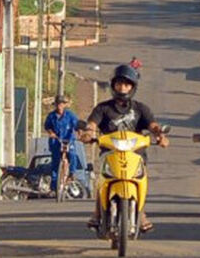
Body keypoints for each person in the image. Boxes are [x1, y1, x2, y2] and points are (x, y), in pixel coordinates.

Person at [82, 64, 167, 233]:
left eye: (127, 84)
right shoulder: (103, 108)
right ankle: (97, 212)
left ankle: (141, 213)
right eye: (119, 84)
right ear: (113, 85)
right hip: (110, 154)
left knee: (140, 180)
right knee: (102, 181)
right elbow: (92, 123)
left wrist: (160, 134)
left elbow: (153, 125)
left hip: (136, 155)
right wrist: (88, 132)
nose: (122, 88)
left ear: (133, 87)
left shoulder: (140, 109)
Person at [43, 95, 84, 194]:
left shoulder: (70, 115)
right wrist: (51, 133)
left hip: (69, 140)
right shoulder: (51, 116)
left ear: (64, 105)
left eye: (61, 104)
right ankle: (54, 187)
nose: (59, 106)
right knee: (55, 163)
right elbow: (47, 126)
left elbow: (77, 125)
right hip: (56, 142)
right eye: (58, 104)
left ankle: (72, 173)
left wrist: (79, 132)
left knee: (73, 155)